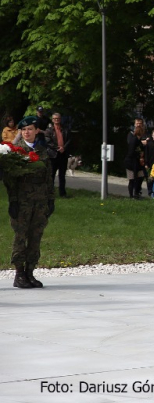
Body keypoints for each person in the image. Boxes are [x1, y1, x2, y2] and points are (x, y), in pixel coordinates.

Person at [5, 116, 54, 288]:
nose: (27, 132)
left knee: (36, 236)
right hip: (22, 202)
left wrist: (50, 200)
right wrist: (13, 201)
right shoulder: (16, 152)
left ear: (36, 131)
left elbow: (49, 178)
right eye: (24, 130)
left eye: (30, 129)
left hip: (40, 202)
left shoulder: (43, 152)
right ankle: (19, 274)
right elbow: (10, 180)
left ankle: (30, 272)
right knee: (20, 237)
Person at [44, 112, 71, 198]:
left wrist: (64, 148)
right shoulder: (48, 130)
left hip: (63, 154)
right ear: (52, 120)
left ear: (60, 119)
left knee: (62, 175)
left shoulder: (65, 129)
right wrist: (57, 148)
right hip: (53, 154)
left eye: (58, 118)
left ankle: (62, 193)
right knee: (51, 175)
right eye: (55, 119)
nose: (56, 120)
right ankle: (50, 193)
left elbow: (69, 140)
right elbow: (48, 141)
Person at [124, 117, 146, 199]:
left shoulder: (137, 140)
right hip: (131, 162)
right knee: (132, 179)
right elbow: (131, 151)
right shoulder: (133, 138)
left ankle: (136, 193)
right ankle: (131, 195)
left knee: (140, 177)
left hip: (137, 162)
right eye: (137, 123)